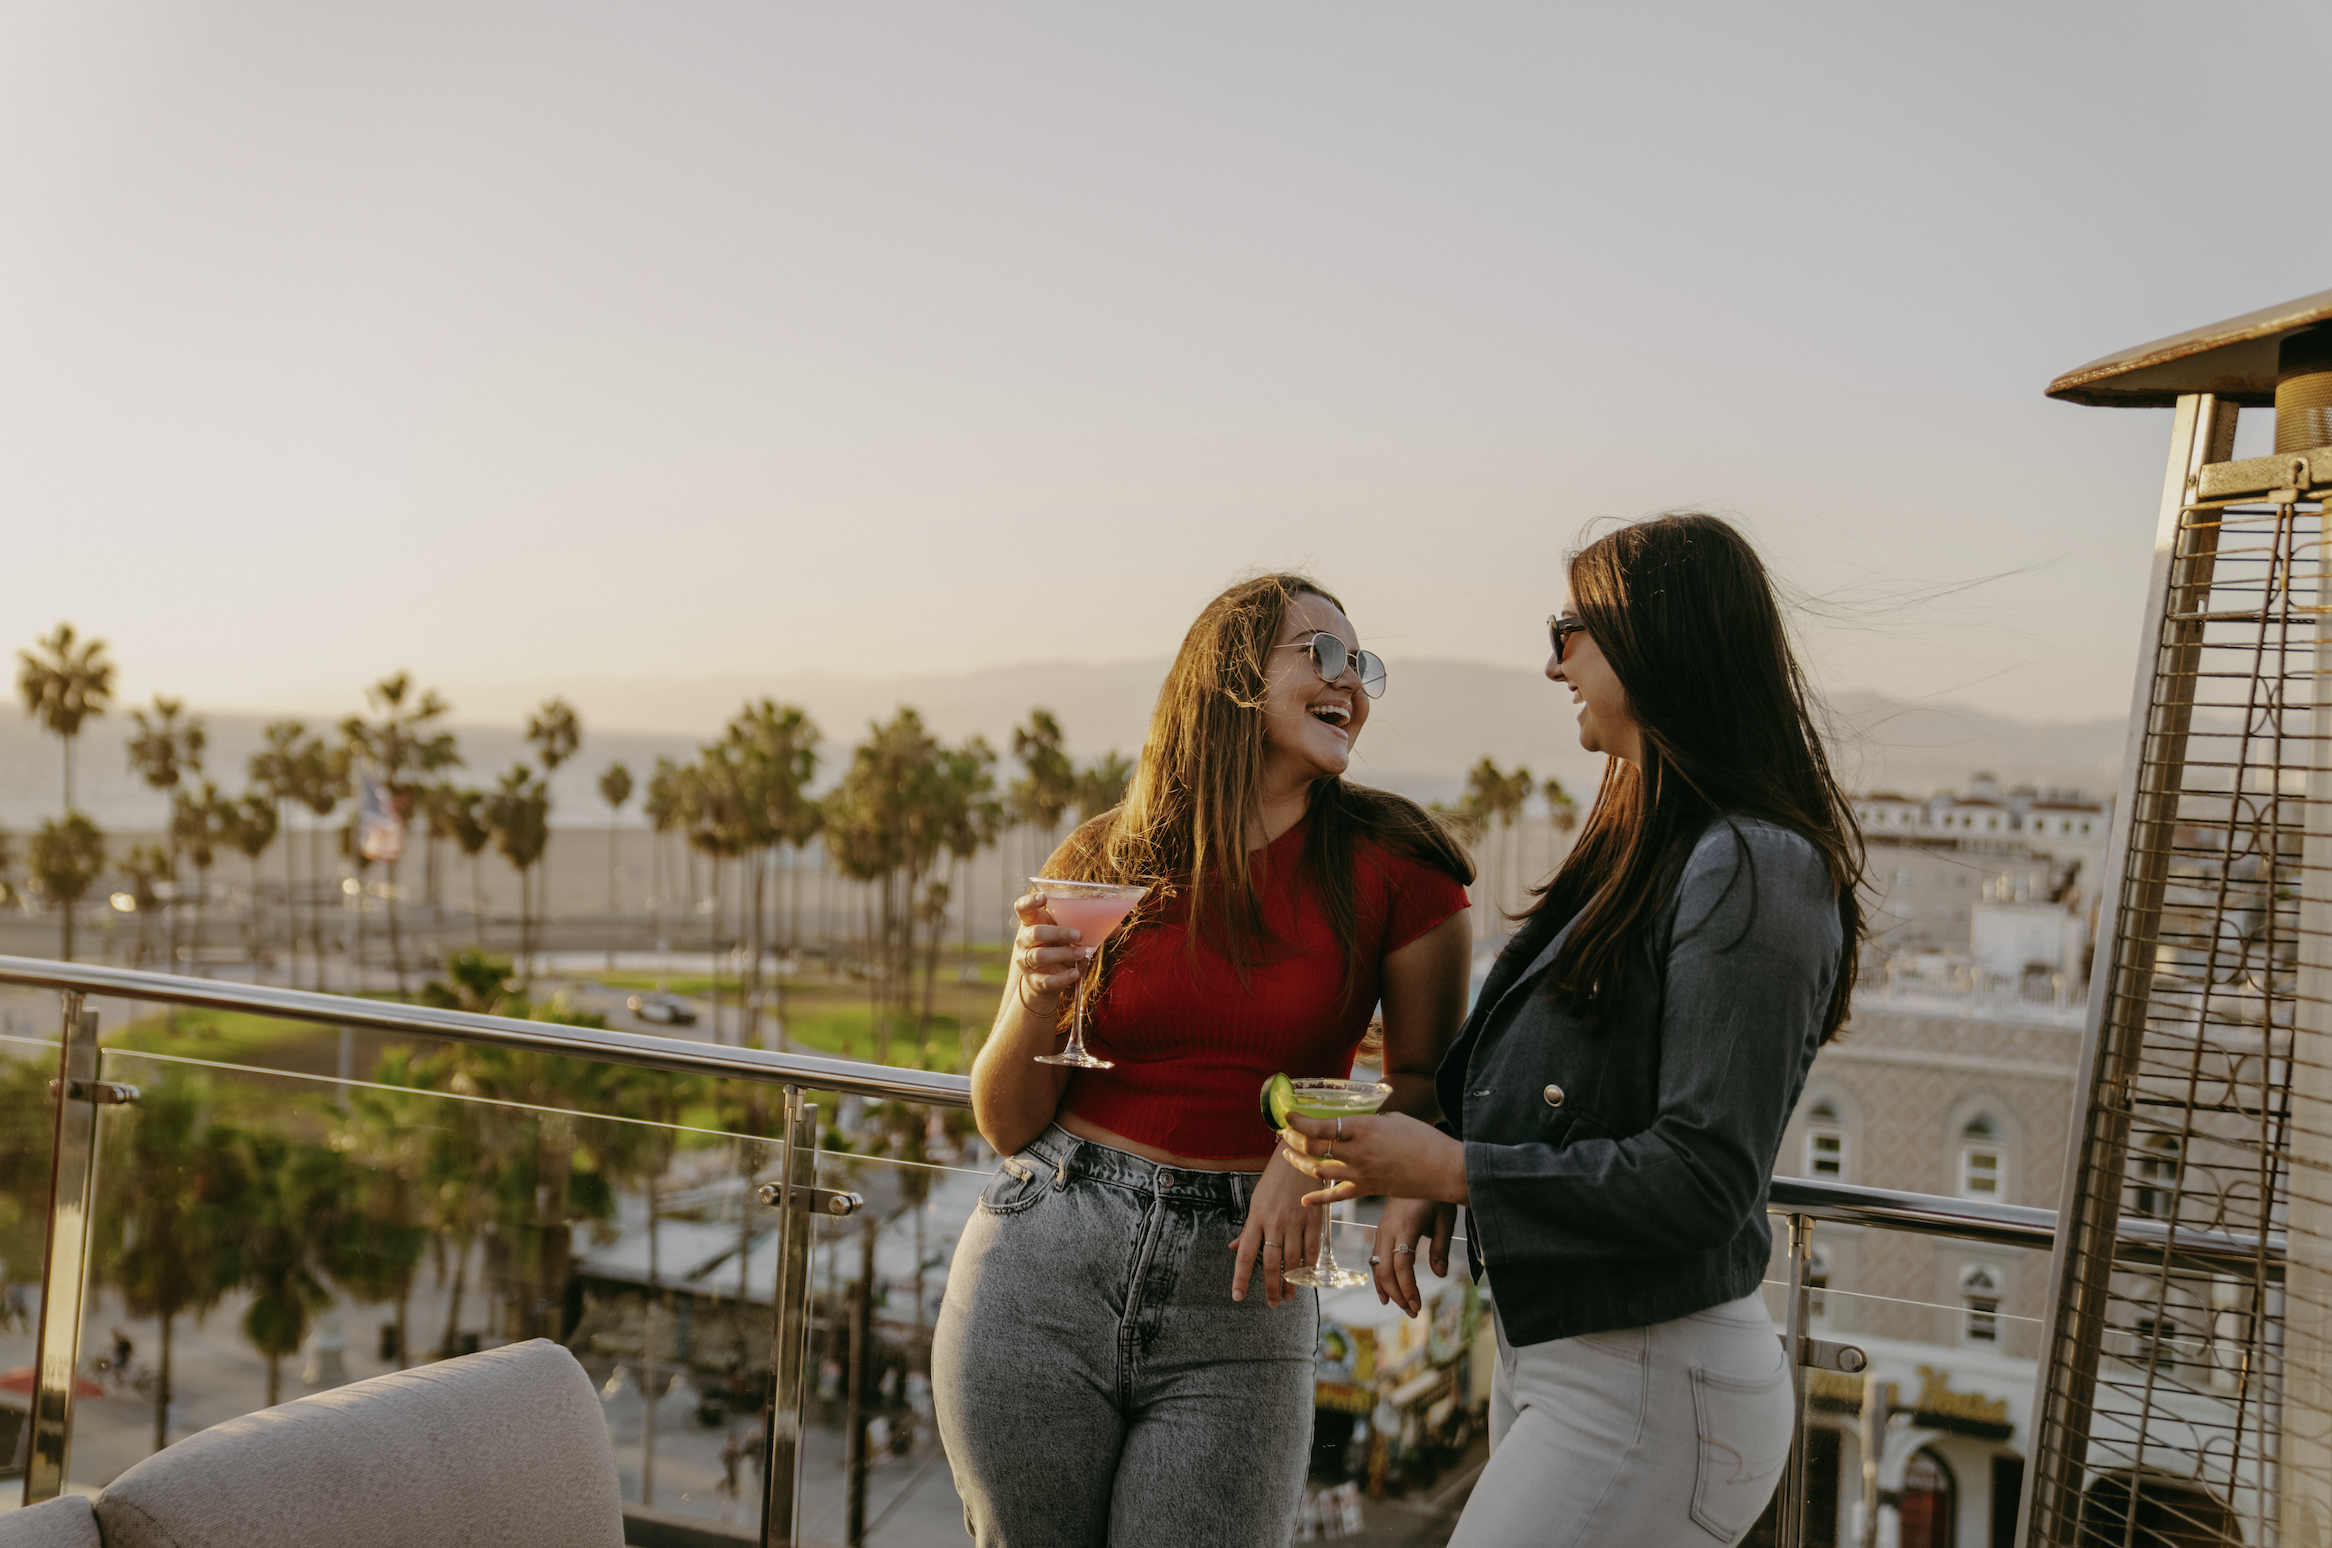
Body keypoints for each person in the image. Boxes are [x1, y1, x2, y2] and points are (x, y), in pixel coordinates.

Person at [1280, 513, 1863, 1547]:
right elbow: (1537, 1054)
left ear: (1655, 640)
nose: (1552, 663)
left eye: (1570, 629)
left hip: (1653, 1387)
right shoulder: (1647, 846)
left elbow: (1702, 1177)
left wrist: (1453, 1171)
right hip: (1578, 1367)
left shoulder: (1753, 863)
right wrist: (1428, 1174)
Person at [931, 573, 1475, 1548]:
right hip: (1044, 1250)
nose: (1351, 682)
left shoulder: (1399, 862)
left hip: (1247, 1286)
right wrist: (1033, 1001)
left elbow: (1429, 1079)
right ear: (1231, 678)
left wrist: (1307, 1146)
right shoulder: (1106, 854)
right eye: (1321, 653)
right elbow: (1007, 1121)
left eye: (1364, 666)